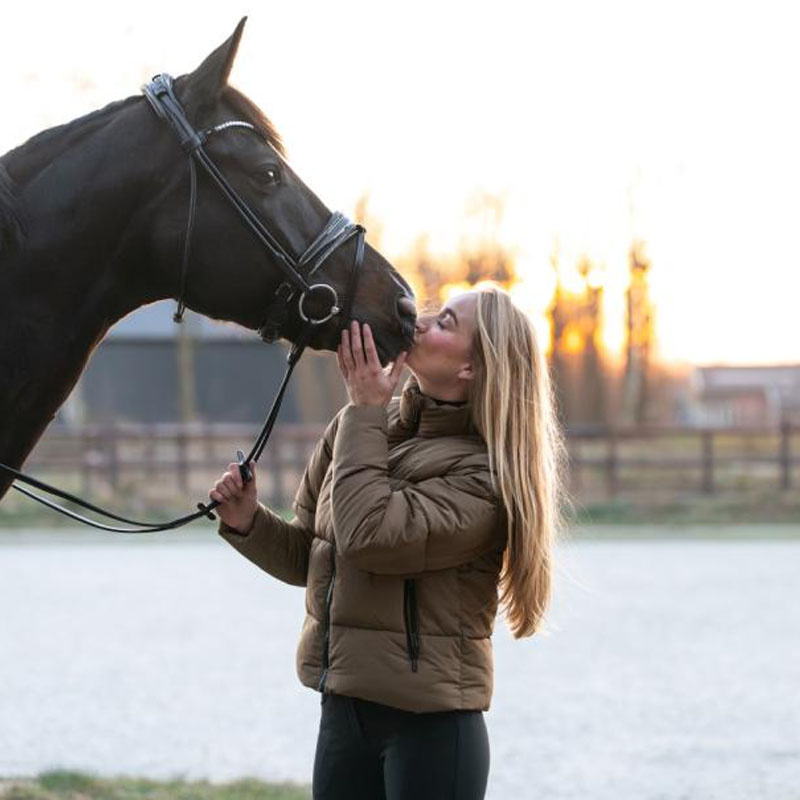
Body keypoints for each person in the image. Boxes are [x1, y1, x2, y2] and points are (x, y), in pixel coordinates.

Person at [209, 283, 568, 800]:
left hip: (432, 732)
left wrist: (364, 412)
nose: (419, 322)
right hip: (343, 711)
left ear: (472, 368)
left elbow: (367, 538)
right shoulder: (360, 426)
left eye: (444, 322)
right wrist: (248, 521)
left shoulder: (484, 480)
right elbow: (311, 557)